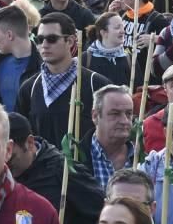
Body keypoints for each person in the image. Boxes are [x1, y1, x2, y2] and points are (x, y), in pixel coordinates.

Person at [6, 112, 105, 224]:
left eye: (10, 159)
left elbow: (102, 211)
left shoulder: (63, 171)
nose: (4, 166)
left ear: (30, 143)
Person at [16, 12, 110, 148]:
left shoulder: (96, 84)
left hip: (85, 168)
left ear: (70, 41)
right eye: (40, 39)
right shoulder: (29, 88)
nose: (44, 44)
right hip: (43, 168)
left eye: (52, 39)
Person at [80, 85, 135, 189]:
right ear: (95, 116)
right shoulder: (72, 160)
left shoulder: (145, 161)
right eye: (115, 114)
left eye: (129, 113)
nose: (124, 121)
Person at [84, 12, 130, 88]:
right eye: (117, 28)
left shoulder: (128, 57)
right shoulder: (86, 58)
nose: (123, 31)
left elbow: (138, 90)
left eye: (123, 27)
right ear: (103, 32)